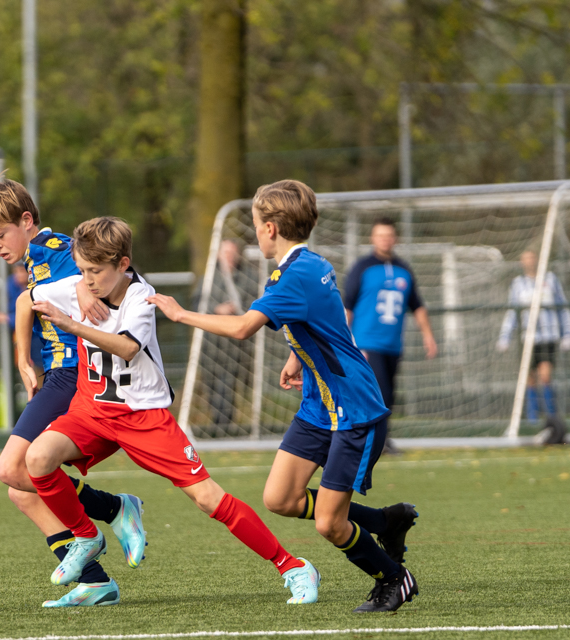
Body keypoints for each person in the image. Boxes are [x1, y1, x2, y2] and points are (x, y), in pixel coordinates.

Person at [18, 217, 321, 607]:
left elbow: (126, 348)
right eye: (82, 270)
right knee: (37, 459)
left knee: (210, 499)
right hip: (92, 411)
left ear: (123, 264)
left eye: (96, 271)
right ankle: (87, 536)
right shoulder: (79, 287)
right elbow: (26, 299)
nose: (89, 279)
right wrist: (70, 298)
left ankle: (292, 566)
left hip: (144, 419)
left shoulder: (141, 298)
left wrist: (72, 325)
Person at [148, 180, 419, 613]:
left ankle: (393, 577)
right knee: (281, 498)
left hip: (352, 408)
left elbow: (241, 328)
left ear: (271, 228)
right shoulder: (307, 265)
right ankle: (386, 520)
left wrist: (180, 314)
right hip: (319, 404)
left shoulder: (296, 275)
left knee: (330, 524)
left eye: (255, 225)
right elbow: (322, 320)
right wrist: (297, 355)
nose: (255, 233)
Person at [0, 174, 147, 608]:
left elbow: (115, 280)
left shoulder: (60, 250)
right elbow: (26, 300)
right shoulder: (36, 260)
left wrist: (84, 292)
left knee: (12, 469)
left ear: (26, 220)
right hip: (56, 375)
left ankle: (114, 509)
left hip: (74, 375)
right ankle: (95, 581)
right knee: (21, 490)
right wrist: (22, 358)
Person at [343, 218, 437, 454]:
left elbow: (417, 305)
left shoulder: (404, 269)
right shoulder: (362, 267)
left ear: (395, 239)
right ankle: (373, 442)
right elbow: (347, 306)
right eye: (380, 235)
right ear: (372, 239)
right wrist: (343, 340)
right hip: (365, 342)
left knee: (389, 394)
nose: (385, 239)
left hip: (392, 344)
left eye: (389, 235)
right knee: (377, 392)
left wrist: (428, 335)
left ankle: (379, 440)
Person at [497, 249, 570, 422]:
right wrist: (505, 336)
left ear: (537, 260)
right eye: (525, 259)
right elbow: (512, 312)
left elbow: (563, 307)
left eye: (532, 258)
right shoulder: (517, 284)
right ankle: (532, 419)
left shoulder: (551, 279)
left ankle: (552, 419)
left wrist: (567, 333)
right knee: (529, 379)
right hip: (528, 338)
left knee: (545, 376)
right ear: (521, 262)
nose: (529, 262)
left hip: (548, 337)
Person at [193, 239, 256, 431]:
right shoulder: (208, 280)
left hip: (234, 345)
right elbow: (196, 306)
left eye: (232, 253)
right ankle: (216, 424)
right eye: (225, 253)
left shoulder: (248, 279)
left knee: (227, 385)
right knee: (212, 384)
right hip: (211, 344)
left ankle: (226, 425)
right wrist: (215, 309)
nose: (229, 257)